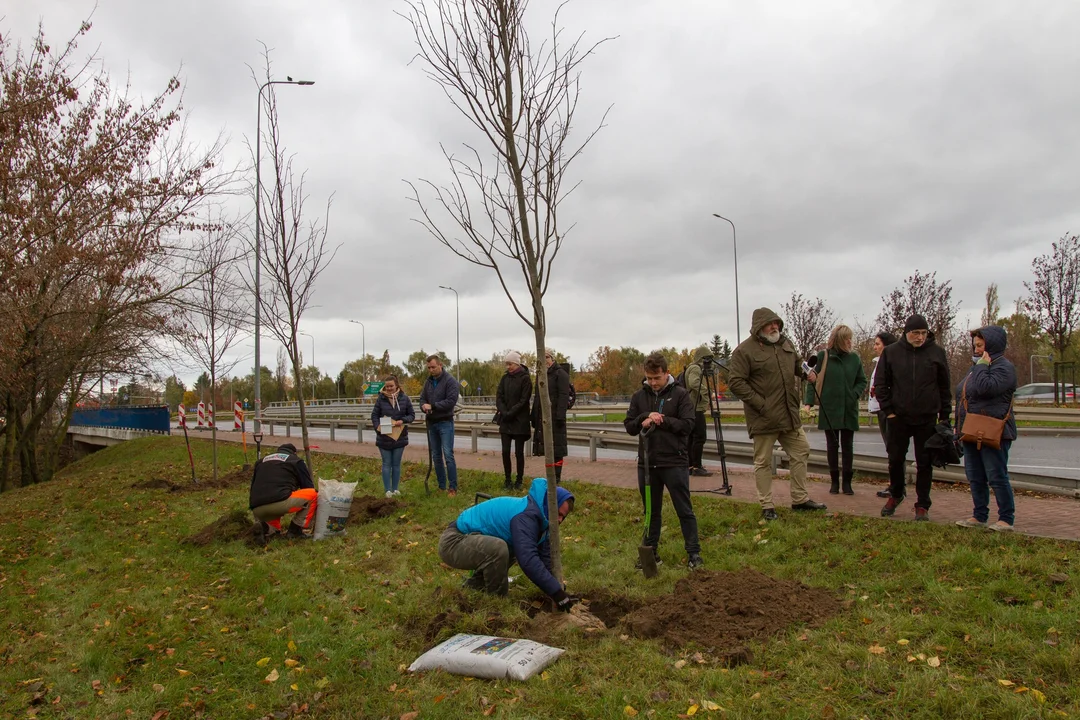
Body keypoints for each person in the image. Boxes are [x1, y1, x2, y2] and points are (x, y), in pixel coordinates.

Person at [728, 308, 828, 521]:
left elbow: (798, 363)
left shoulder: (786, 344)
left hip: (788, 414)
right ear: (759, 327)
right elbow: (735, 382)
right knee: (763, 461)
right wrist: (760, 404)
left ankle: (800, 499)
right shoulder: (744, 351)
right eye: (770, 324)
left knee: (801, 450)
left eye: (777, 323)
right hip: (763, 417)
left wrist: (807, 373)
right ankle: (767, 506)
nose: (775, 327)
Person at [438, 477, 577, 611]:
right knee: (499, 549)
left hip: (473, 541)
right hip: (453, 542)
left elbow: (545, 559)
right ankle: (497, 602)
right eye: (558, 514)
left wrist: (559, 588)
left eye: (563, 517)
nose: (559, 520)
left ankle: (475, 586)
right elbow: (528, 560)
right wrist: (555, 592)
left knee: (511, 548)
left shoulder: (542, 521)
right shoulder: (526, 517)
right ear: (550, 505)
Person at [624, 352, 703, 570]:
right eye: (649, 378)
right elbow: (630, 426)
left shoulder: (680, 395)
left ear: (666, 373)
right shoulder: (639, 396)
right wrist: (644, 418)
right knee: (651, 510)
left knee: (683, 508)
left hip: (674, 462)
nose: (653, 382)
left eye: (656, 377)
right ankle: (650, 553)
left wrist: (663, 420)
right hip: (647, 464)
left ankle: (694, 553)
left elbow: (688, 425)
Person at [874, 313, 951, 521]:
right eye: (916, 333)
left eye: (923, 333)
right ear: (906, 333)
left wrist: (945, 415)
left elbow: (944, 386)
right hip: (898, 417)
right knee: (895, 459)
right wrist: (888, 410)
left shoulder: (936, 353)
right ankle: (896, 494)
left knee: (924, 462)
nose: (920, 337)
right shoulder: (891, 353)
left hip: (926, 418)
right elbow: (881, 385)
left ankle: (922, 504)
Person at [954, 326, 1017, 532]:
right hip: (972, 429)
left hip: (994, 430)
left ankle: (1006, 519)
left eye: (980, 345)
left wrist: (981, 366)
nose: (976, 349)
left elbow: (985, 388)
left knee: (996, 475)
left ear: (992, 345)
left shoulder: (1003, 367)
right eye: (975, 345)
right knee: (975, 475)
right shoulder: (978, 367)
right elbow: (963, 395)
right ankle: (979, 515)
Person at [803, 325, 867, 495]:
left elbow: (862, 381)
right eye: (847, 339)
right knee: (832, 446)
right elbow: (811, 380)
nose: (850, 342)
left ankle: (847, 483)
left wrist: (853, 395)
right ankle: (834, 482)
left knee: (847, 446)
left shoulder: (854, 358)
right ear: (840, 340)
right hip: (829, 408)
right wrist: (808, 402)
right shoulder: (824, 356)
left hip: (848, 409)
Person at [249, 442, 317, 546]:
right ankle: (295, 530)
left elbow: (254, 485)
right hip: (279, 502)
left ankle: (265, 527)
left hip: (257, 508)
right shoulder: (296, 461)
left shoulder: (260, 462)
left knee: (275, 530)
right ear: (294, 453)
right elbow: (308, 487)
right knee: (313, 494)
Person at [419, 354, 460, 496]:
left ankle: (452, 487)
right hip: (432, 423)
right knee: (436, 456)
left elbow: (451, 401)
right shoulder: (428, 382)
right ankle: (441, 485)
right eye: (429, 367)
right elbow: (422, 398)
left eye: (433, 367)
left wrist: (433, 406)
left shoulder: (450, 381)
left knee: (448, 454)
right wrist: (423, 406)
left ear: (440, 365)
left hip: (445, 422)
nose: (431, 370)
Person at [371, 375, 415, 498]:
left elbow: (412, 415)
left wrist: (403, 420)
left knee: (396, 464)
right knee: (386, 463)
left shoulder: (405, 399)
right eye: (387, 386)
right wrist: (377, 427)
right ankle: (387, 490)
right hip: (384, 437)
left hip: (399, 437)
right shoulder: (381, 399)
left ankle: (395, 489)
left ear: (396, 386)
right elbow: (374, 415)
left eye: (391, 386)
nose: (389, 388)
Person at [531, 349, 570, 483]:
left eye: (546, 357)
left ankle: (556, 478)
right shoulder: (540, 375)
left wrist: (560, 416)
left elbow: (563, 396)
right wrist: (534, 415)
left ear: (552, 358)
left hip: (555, 418)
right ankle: (550, 477)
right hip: (543, 417)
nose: (544, 361)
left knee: (557, 449)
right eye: (541, 358)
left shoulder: (561, 374)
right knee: (547, 448)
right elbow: (538, 397)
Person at [496, 351, 533, 490]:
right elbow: (499, 396)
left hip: (519, 421)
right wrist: (504, 411)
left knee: (519, 453)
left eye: (510, 364)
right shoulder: (505, 378)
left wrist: (511, 412)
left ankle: (519, 480)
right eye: (506, 364)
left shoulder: (525, 379)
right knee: (505, 451)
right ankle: (507, 479)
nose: (508, 367)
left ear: (516, 364)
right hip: (506, 420)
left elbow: (524, 400)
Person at [868, 331, 898, 498]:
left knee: (894, 448)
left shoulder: (891, 363)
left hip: (888, 410)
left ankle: (896, 486)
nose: (875, 347)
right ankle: (894, 484)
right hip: (880, 409)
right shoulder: (879, 362)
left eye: (878, 344)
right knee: (890, 448)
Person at [683, 346, 715, 477]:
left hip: (692, 407)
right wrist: (707, 392)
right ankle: (697, 466)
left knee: (692, 438)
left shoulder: (691, 367)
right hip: (696, 408)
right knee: (699, 437)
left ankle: (690, 465)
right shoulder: (695, 368)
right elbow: (693, 382)